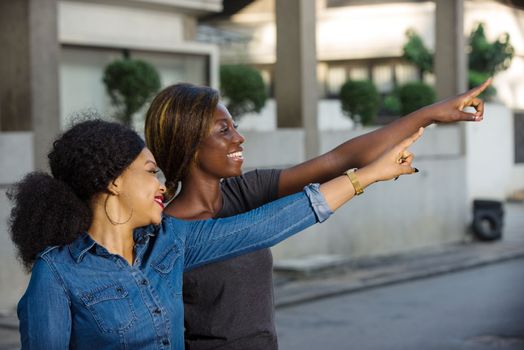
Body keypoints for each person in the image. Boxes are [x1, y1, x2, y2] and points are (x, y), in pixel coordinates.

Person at [10, 116, 422, 349]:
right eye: (151, 172)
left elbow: (265, 226)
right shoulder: (58, 274)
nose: (162, 185)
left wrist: (366, 176)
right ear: (114, 181)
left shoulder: (171, 242)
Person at [144, 80, 490, 350]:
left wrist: (429, 114)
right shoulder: (166, 236)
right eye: (224, 130)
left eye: (234, 126)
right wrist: (365, 177)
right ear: (189, 142)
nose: (239, 137)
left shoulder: (245, 193)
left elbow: (340, 160)